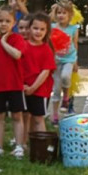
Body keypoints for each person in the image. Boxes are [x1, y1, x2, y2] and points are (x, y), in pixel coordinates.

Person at [0, 7, 28, 158]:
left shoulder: (17, 39)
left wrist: (4, 42)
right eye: (0, 21)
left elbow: (17, 55)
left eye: (7, 21)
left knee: (17, 116)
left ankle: (19, 146)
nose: (3, 24)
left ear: (14, 23)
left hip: (14, 85)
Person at [21, 12, 55, 147]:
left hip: (40, 89)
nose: (38, 32)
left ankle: (42, 145)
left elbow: (45, 72)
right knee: (24, 116)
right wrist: (22, 85)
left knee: (38, 118)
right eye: (35, 28)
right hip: (23, 88)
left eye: (42, 29)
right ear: (29, 28)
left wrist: (33, 87)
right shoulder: (22, 46)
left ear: (47, 31)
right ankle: (22, 143)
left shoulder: (46, 49)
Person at [51, 0, 80, 121]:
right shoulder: (52, 27)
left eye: (64, 13)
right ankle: (55, 115)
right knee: (56, 88)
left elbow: (75, 44)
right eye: (59, 12)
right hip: (56, 60)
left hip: (69, 59)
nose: (61, 15)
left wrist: (76, 62)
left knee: (65, 76)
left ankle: (66, 97)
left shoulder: (73, 28)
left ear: (70, 15)